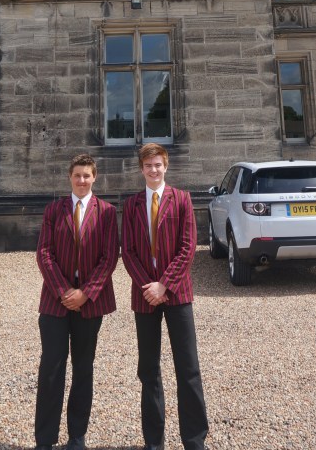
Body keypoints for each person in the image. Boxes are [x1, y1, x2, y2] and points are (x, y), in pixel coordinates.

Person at [121, 143, 208, 450]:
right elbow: (128, 251)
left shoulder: (182, 200)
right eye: (148, 166)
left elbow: (188, 247)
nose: (153, 170)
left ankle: (194, 439)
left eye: (158, 165)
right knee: (148, 369)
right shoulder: (131, 205)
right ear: (141, 169)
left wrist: (164, 285)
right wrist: (149, 286)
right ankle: (153, 442)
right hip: (144, 295)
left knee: (188, 367)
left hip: (178, 293)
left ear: (165, 166)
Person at [34, 153, 119, 450]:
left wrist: (85, 292)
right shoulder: (54, 210)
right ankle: (44, 440)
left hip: (90, 303)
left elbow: (110, 258)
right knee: (52, 369)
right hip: (55, 303)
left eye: (87, 175)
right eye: (77, 175)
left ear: (95, 177)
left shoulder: (107, 212)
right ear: (69, 178)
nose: (82, 180)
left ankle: (77, 437)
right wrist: (62, 291)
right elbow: (44, 253)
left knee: (84, 368)